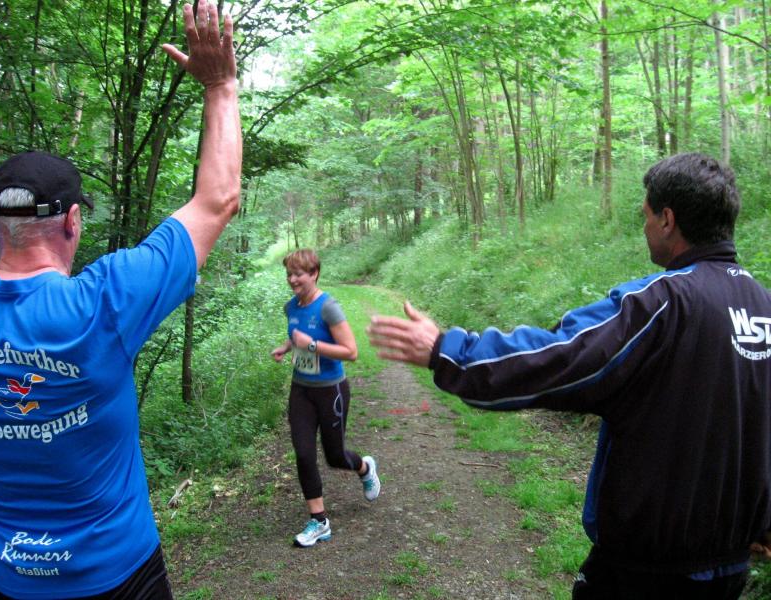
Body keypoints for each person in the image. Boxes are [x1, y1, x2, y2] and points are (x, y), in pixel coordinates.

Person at [367, 152, 771, 599]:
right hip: (729, 569)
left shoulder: (662, 303)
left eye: (646, 216)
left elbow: (561, 356)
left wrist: (448, 351)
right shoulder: (763, 305)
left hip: (646, 574)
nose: (644, 228)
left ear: (668, 219)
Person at [0, 3, 241, 598]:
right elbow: (217, 200)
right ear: (73, 222)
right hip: (119, 575)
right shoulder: (106, 303)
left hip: (9, 580)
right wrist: (220, 86)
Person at [271, 248, 381, 547]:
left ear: (314, 274)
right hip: (301, 390)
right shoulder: (291, 307)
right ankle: (319, 521)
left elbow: (351, 352)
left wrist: (311, 346)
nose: (292, 280)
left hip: (331, 391)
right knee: (304, 453)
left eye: (298, 274)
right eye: (289, 274)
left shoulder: (328, 307)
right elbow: (297, 335)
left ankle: (364, 467)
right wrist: (287, 347)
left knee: (335, 457)